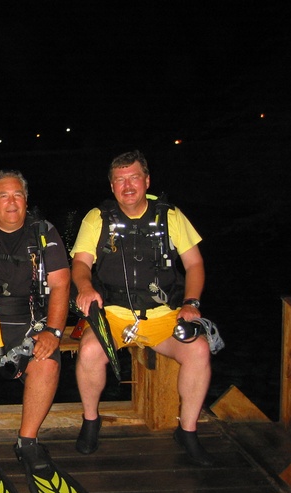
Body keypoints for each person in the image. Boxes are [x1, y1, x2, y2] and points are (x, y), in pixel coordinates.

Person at [0, 170, 93, 493]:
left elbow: (60, 285)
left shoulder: (45, 233)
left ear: (26, 200)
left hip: (32, 324)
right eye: (3, 196)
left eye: (17, 195)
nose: (11, 202)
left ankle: (27, 442)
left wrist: (54, 333)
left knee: (46, 364)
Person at [71, 149, 215, 466]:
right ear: (111, 187)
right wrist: (84, 287)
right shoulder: (97, 218)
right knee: (90, 350)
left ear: (147, 180)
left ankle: (187, 430)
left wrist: (191, 303)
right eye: (119, 180)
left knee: (199, 350)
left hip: (164, 316)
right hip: (114, 315)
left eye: (134, 177)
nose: (127, 186)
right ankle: (91, 420)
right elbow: (80, 262)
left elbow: (195, 264)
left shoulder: (171, 216)